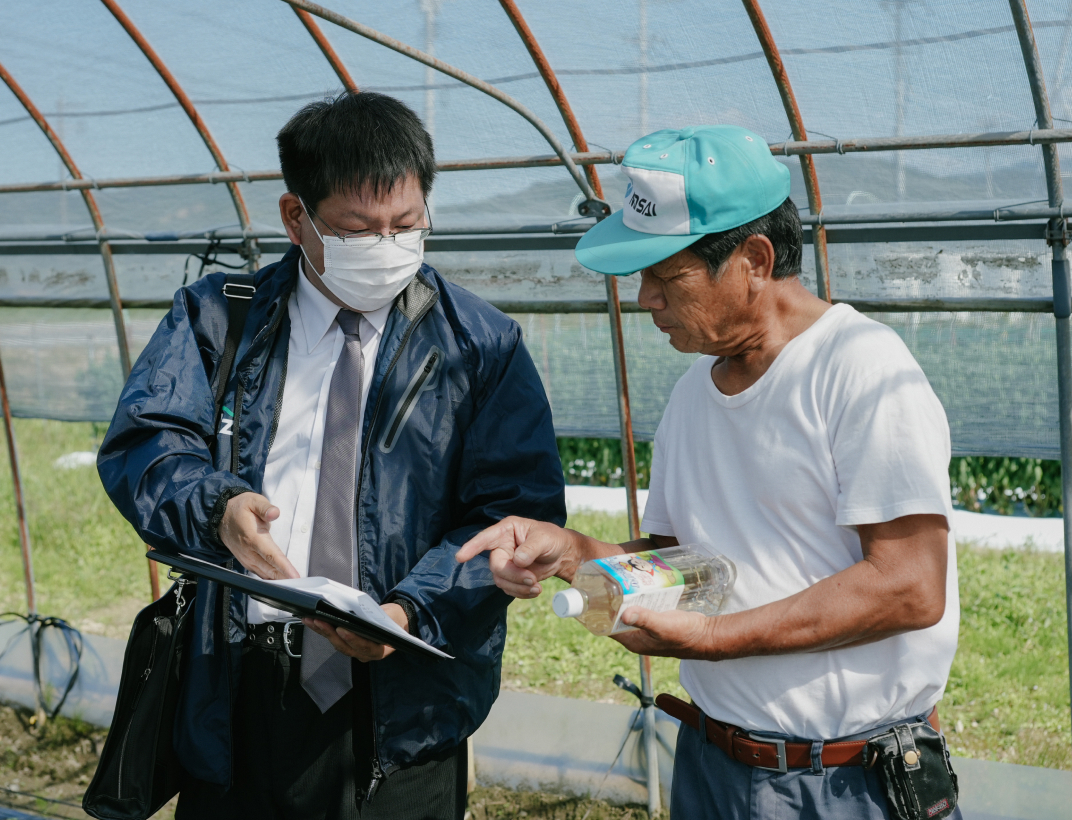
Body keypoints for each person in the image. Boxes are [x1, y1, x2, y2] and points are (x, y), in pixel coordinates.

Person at [457, 125, 961, 820]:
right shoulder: (696, 393)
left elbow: (909, 586)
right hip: (714, 765)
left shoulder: (861, 370)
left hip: (844, 781)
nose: (646, 300)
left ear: (753, 259)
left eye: (668, 276)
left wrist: (717, 640)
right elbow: (683, 568)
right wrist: (571, 554)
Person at [97, 91, 565, 820]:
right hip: (238, 687)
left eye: (407, 225)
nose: (387, 247)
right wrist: (217, 508)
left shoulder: (481, 346)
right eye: (357, 228)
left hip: (404, 702)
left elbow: (514, 514)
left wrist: (409, 614)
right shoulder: (221, 316)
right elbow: (147, 444)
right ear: (297, 217)